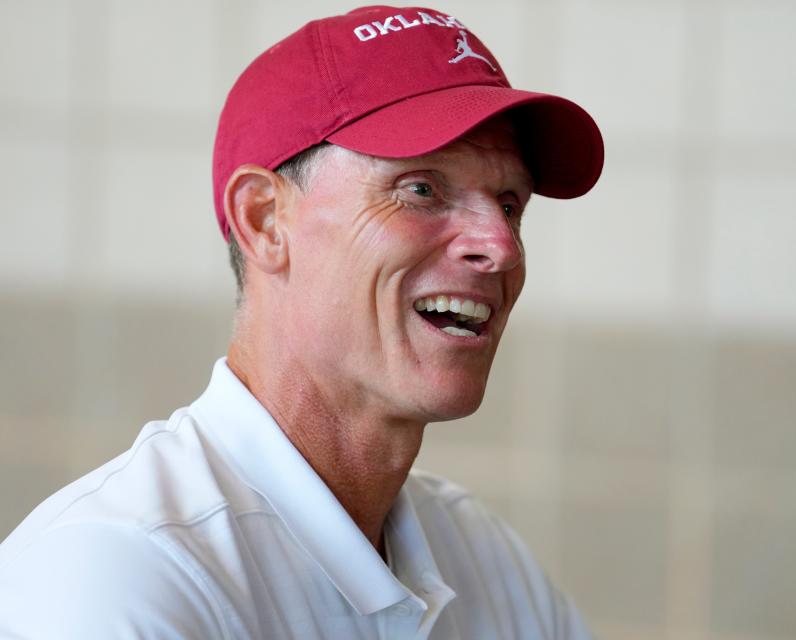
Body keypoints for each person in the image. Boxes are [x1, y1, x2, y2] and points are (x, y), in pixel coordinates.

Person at [0, 5, 603, 638]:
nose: (501, 246)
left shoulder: (487, 562)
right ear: (264, 221)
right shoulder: (117, 576)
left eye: (510, 205)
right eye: (421, 189)